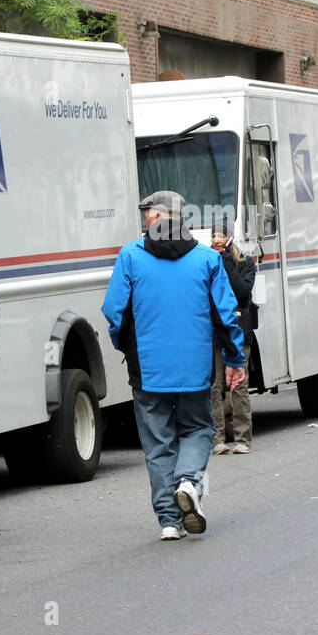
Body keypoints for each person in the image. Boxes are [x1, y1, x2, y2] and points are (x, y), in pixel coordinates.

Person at [101, 191, 246, 540]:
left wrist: (127, 347)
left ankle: (168, 521)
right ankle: (188, 481)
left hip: (147, 368)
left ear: (153, 218)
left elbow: (114, 312)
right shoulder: (207, 260)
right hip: (195, 368)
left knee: (158, 442)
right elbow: (225, 315)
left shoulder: (130, 256)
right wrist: (234, 359)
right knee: (198, 429)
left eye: (146, 214)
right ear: (182, 219)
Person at [209, 215, 256, 456]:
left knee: (238, 385)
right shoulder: (205, 261)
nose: (216, 240)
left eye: (221, 236)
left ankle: (242, 438)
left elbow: (242, 293)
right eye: (214, 236)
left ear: (229, 238)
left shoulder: (244, 261)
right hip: (214, 332)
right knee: (215, 385)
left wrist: (227, 263)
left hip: (238, 330)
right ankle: (217, 438)